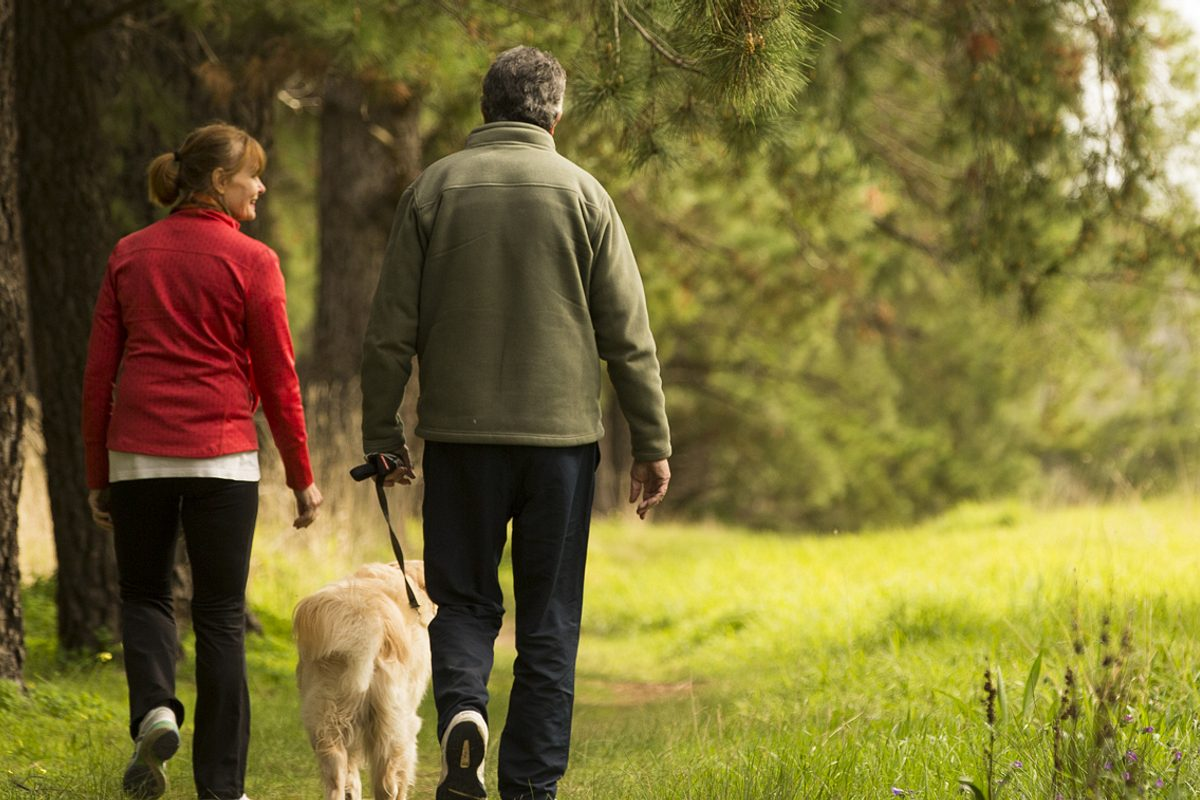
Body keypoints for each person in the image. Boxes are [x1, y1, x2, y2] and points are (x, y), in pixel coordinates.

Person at [360, 46, 671, 800]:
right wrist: (652, 443)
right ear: (556, 113)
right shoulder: (586, 195)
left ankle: (464, 710)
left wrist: (382, 435)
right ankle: (529, 784)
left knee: (463, 599)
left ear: (484, 107)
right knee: (550, 616)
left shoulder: (434, 190)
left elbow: (389, 331)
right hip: (561, 446)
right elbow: (628, 335)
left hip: (461, 441)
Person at [82, 122, 322, 800]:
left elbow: (99, 375)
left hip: (137, 455)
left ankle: (156, 709)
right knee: (219, 615)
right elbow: (279, 379)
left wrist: (98, 473)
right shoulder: (254, 261)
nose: (262, 186)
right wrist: (302, 477)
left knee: (146, 595)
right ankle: (221, 788)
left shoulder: (130, 254)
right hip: (222, 459)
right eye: (253, 174)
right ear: (219, 182)